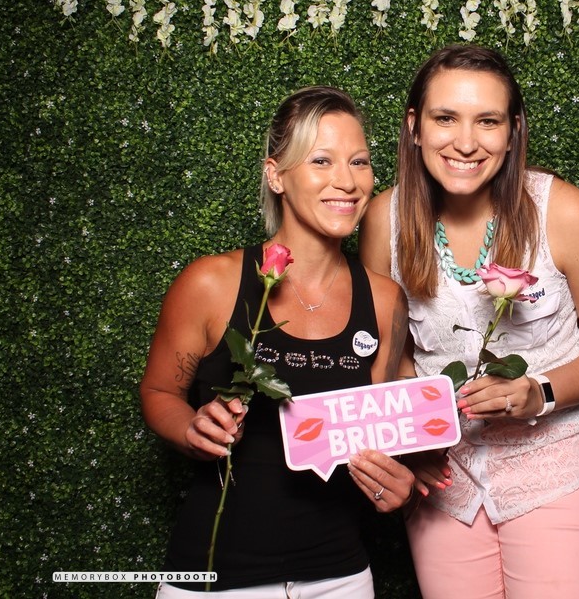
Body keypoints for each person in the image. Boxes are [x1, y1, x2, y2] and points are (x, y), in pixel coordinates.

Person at [359, 45, 579, 599]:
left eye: (487, 121)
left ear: (513, 132)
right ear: (414, 127)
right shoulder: (383, 220)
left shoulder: (564, 211)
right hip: (445, 482)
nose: (466, 142)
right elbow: (390, 354)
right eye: (446, 118)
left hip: (552, 471)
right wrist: (414, 441)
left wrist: (540, 392)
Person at [140, 86, 415, 598]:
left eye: (359, 161)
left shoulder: (384, 300)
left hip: (340, 577)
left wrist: (401, 485)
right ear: (276, 174)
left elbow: (383, 431)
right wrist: (191, 428)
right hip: (215, 581)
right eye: (321, 160)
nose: (347, 181)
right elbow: (158, 392)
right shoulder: (210, 283)